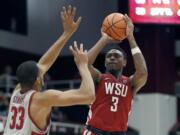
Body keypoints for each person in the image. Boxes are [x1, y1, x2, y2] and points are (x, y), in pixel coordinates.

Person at [3, 5, 95, 135]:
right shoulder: (43, 99)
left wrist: (66, 34)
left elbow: (43, 64)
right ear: (38, 79)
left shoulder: (17, 91)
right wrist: (83, 66)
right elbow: (88, 96)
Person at [83, 14, 148, 135]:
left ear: (124, 62)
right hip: (94, 132)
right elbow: (85, 65)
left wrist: (131, 37)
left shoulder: (130, 83)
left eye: (116, 56)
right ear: (105, 62)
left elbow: (143, 73)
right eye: (108, 56)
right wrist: (104, 40)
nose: (112, 58)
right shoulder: (98, 78)